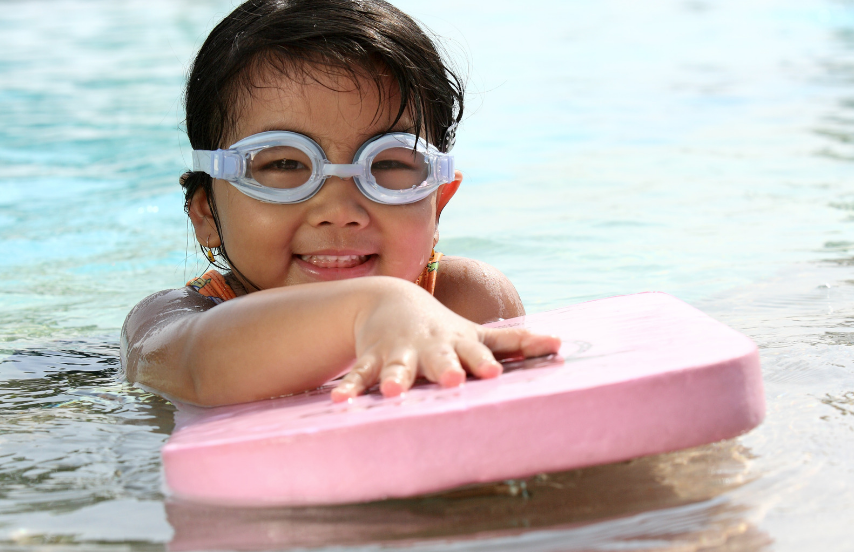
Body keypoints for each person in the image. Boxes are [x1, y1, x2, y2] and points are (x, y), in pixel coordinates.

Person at [121, 0, 560, 407]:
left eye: (387, 163)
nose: (340, 210)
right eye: (286, 164)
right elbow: (201, 367)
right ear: (206, 214)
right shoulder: (171, 320)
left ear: (436, 203)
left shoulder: (466, 300)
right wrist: (373, 306)